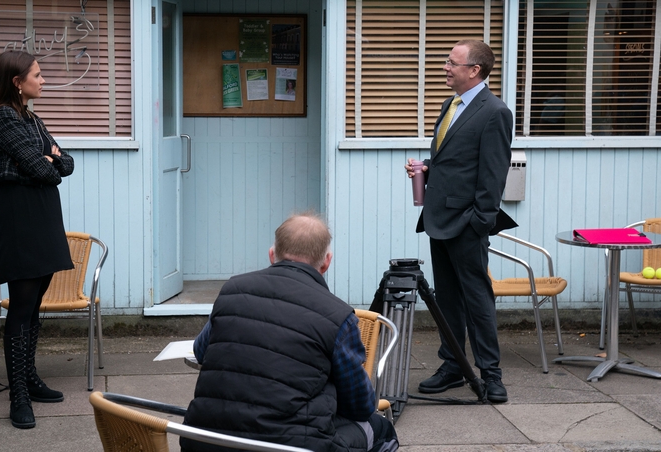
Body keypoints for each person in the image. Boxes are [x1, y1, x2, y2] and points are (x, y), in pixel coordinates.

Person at [181, 213, 398, 452]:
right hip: (290, 446)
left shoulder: (233, 290)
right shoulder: (338, 316)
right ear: (326, 262)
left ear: (272, 254)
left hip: (206, 441)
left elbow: (201, 352)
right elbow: (360, 406)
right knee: (380, 428)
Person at [404, 40, 513, 403]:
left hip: (467, 222)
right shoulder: (450, 105)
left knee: (476, 298)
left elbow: (493, 174)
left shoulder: (495, 112)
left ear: (474, 71)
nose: (445, 68)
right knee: (447, 298)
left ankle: (491, 374)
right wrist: (427, 168)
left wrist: (479, 223)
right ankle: (452, 366)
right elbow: (457, 160)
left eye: (452, 63)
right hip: (438, 217)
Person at [0, 50, 75, 429]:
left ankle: (30, 378)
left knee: (35, 304)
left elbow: (65, 163)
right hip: (19, 219)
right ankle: (17, 395)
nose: (43, 80)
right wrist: (46, 161)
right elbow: (46, 168)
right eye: (37, 75)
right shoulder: (3, 117)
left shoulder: (31, 118)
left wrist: (50, 160)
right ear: (17, 83)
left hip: (44, 218)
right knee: (20, 306)